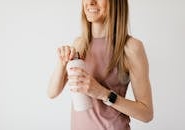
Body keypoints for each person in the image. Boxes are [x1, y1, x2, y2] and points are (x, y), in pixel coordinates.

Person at [48, 0, 153, 130]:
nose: (91, 2)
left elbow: (146, 113)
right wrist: (61, 62)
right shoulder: (79, 44)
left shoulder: (131, 47)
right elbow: (52, 93)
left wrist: (103, 94)